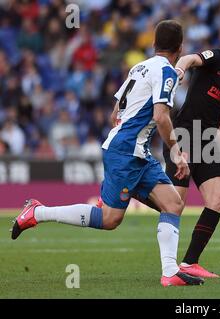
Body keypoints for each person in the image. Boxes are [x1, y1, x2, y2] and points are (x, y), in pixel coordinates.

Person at [10, 20, 204, 287]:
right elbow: (161, 117)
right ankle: (37, 212)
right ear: (180, 47)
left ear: (153, 44)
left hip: (135, 151)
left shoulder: (139, 67)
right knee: (110, 219)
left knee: (173, 203)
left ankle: (170, 272)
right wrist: (177, 153)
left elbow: (115, 114)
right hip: (126, 152)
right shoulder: (167, 72)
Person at [107, 22, 220, 278]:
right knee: (175, 204)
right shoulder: (215, 57)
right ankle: (129, 192)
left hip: (207, 140)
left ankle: (189, 262)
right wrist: (179, 70)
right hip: (183, 133)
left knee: (218, 200)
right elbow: (189, 59)